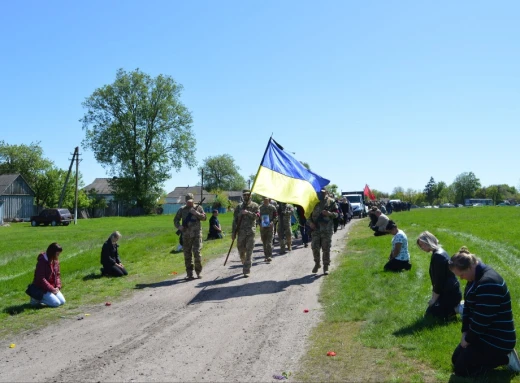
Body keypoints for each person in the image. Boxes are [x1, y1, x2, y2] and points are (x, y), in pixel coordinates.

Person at [449, 246, 520, 376]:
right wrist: (464, 333)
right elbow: (468, 309)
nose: (462, 279)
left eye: (462, 275)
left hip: (498, 339)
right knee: (456, 359)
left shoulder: (489, 283)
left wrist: (469, 339)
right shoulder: (474, 278)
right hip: (484, 335)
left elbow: (482, 320)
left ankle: (505, 357)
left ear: (470, 267)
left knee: (462, 370)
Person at [416, 231, 461, 320]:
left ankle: (460, 309)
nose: (422, 248)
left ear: (429, 241)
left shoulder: (438, 256)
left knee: (432, 315)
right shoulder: (439, 253)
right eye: (420, 246)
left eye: (422, 245)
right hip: (449, 291)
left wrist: (433, 299)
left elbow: (439, 281)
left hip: (450, 294)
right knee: (430, 313)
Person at [174, 193, 207, 280]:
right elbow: (176, 220)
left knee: (197, 253)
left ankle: (198, 272)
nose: (189, 203)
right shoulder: (182, 209)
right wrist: (179, 226)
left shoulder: (199, 208)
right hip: (186, 235)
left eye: (191, 201)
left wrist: (196, 213)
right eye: (188, 202)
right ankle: (189, 274)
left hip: (196, 234)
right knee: (187, 254)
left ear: (193, 200)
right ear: (185, 201)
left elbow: (204, 218)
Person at [307, 188, 339, 275]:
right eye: (320, 192)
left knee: (326, 248)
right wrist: (310, 223)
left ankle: (326, 266)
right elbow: (307, 215)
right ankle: (317, 263)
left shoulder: (331, 202)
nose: (321, 194)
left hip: (326, 230)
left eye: (323, 193)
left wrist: (329, 213)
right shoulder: (313, 202)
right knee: (315, 247)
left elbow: (337, 214)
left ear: (326, 192)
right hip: (315, 229)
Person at [232, 189, 259, 277]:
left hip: (250, 232)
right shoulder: (239, 207)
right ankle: (244, 261)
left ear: (250, 196)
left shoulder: (255, 205)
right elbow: (234, 220)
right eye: (244, 195)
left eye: (248, 195)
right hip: (241, 232)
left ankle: (246, 269)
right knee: (241, 250)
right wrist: (233, 233)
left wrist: (248, 213)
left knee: (249, 250)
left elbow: (257, 216)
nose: (246, 197)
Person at [29, 242, 66, 307]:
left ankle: (47, 297)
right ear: (52, 253)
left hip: (52, 287)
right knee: (56, 303)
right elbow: (41, 279)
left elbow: (57, 275)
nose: (58, 255)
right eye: (57, 254)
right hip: (42, 288)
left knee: (62, 301)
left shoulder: (55, 261)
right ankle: (36, 298)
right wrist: (51, 289)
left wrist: (57, 286)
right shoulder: (42, 262)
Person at [259, 196, 277, 263]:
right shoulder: (260, 208)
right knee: (264, 243)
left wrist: (273, 222)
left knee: (269, 242)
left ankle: (269, 256)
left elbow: (276, 216)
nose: (265, 200)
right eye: (264, 199)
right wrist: (259, 223)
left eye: (266, 199)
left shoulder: (272, 207)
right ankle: (266, 256)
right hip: (263, 228)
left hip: (270, 227)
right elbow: (257, 217)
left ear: (269, 199)